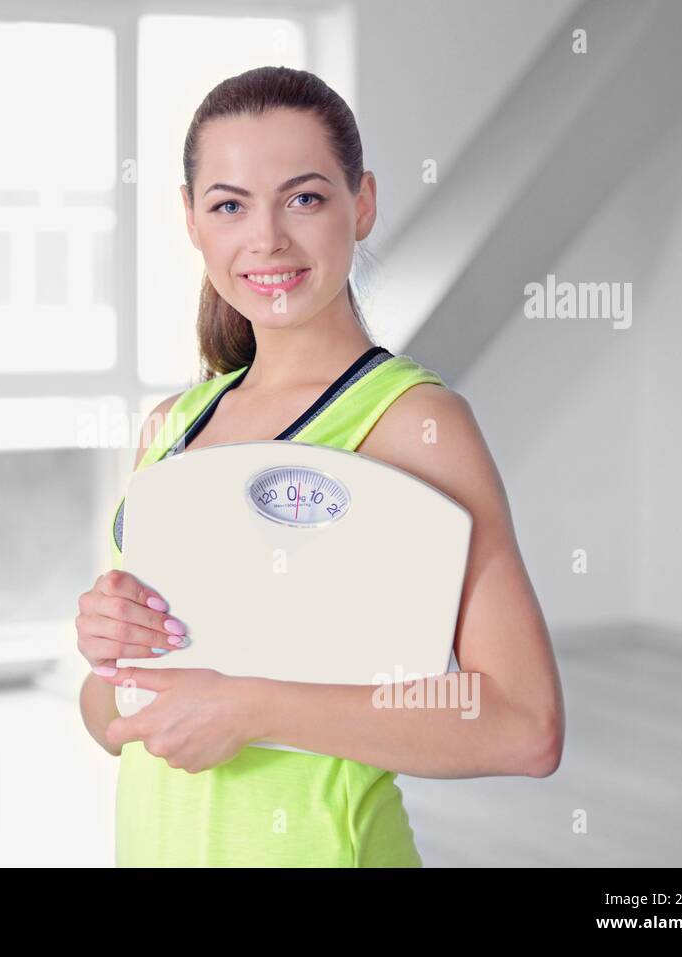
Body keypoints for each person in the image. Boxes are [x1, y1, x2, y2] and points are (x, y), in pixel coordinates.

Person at [74, 66, 564, 867]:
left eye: (303, 198)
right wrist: (107, 654)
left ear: (361, 204)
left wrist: (250, 709)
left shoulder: (413, 424)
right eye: (229, 204)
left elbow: (524, 723)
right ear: (192, 222)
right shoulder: (168, 431)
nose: (266, 238)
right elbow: (111, 719)